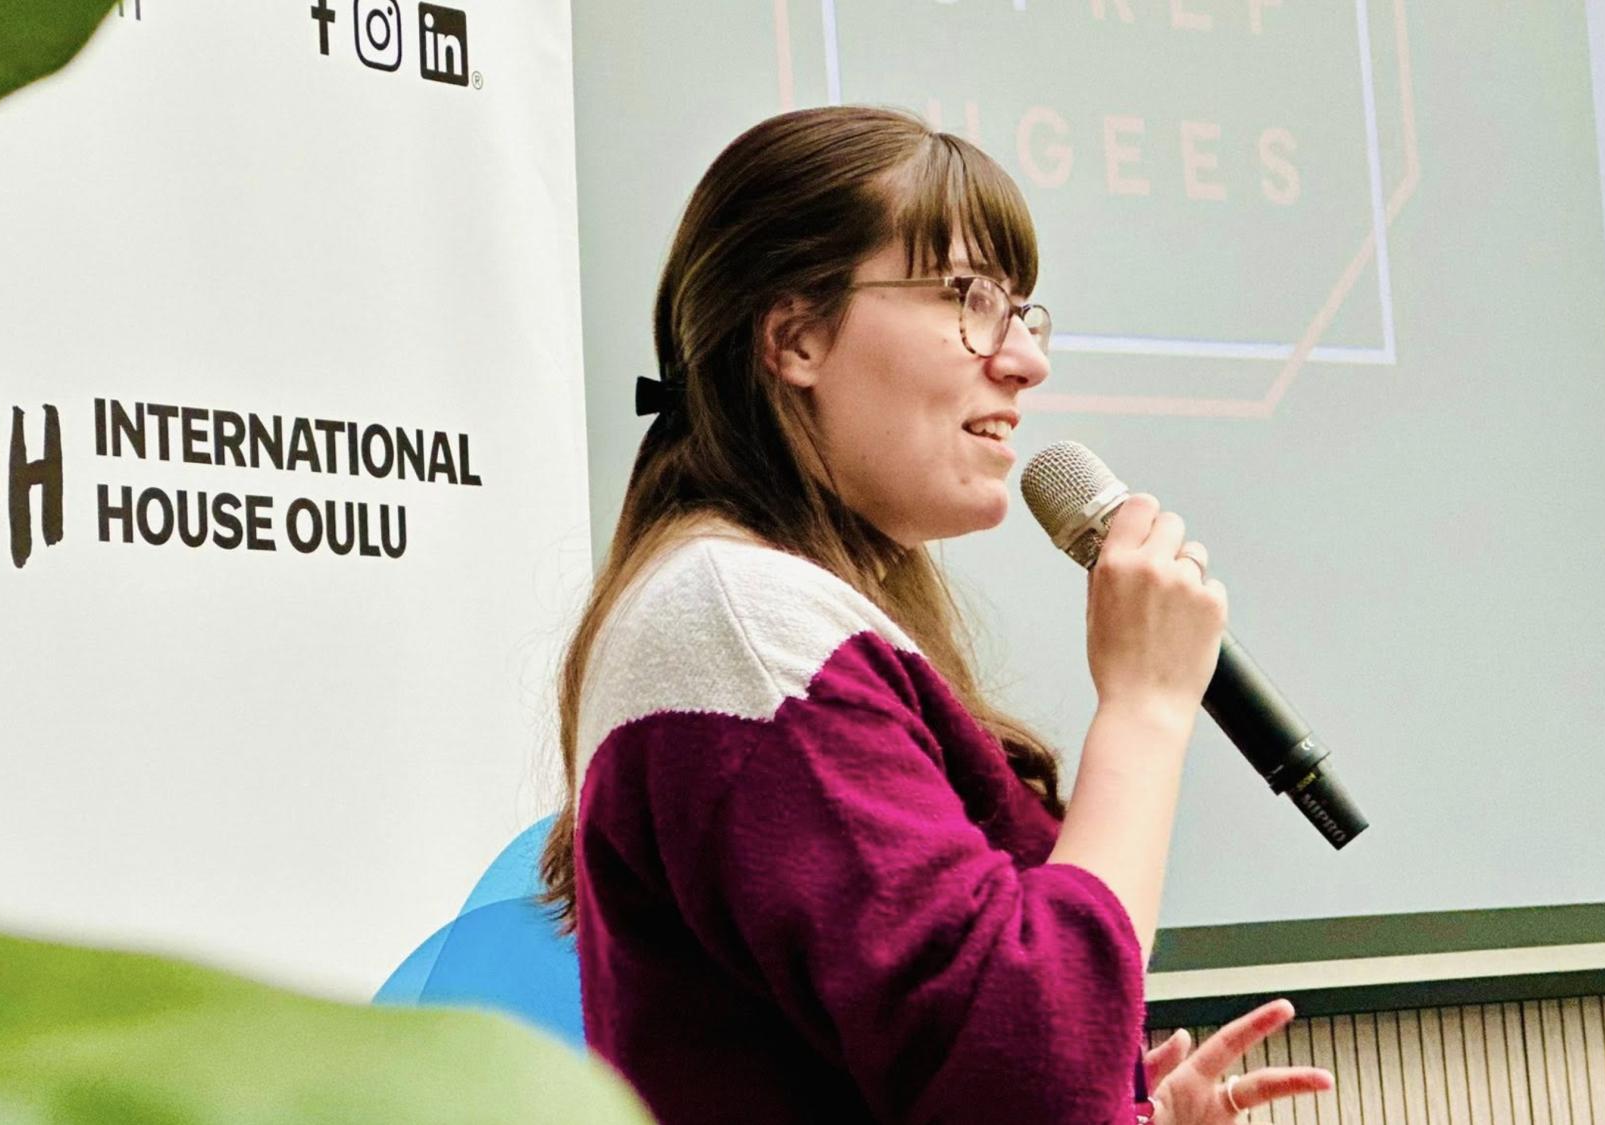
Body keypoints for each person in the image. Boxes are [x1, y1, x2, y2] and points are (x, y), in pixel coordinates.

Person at [538, 105, 1335, 1124]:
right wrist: (1143, 708)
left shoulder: (761, 612)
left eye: (1024, 313)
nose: (1023, 361)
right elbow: (1022, 1071)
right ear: (794, 338)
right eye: (968, 300)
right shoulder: (741, 624)